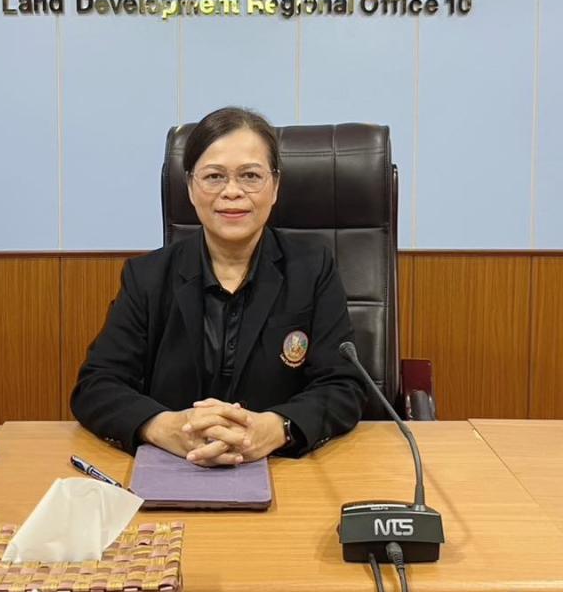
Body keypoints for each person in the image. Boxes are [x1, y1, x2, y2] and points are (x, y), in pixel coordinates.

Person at [70, 106, 365, 466]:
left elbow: (343, 386)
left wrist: (278, 427)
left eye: (250, 176)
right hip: (173, 466)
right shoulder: (147, 277)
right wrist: (163, 427)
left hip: (281, 467)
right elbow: (97, 385)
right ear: (190, 188)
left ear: (275, 187)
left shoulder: (313, 269)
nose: (232, 192)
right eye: (214, 177)